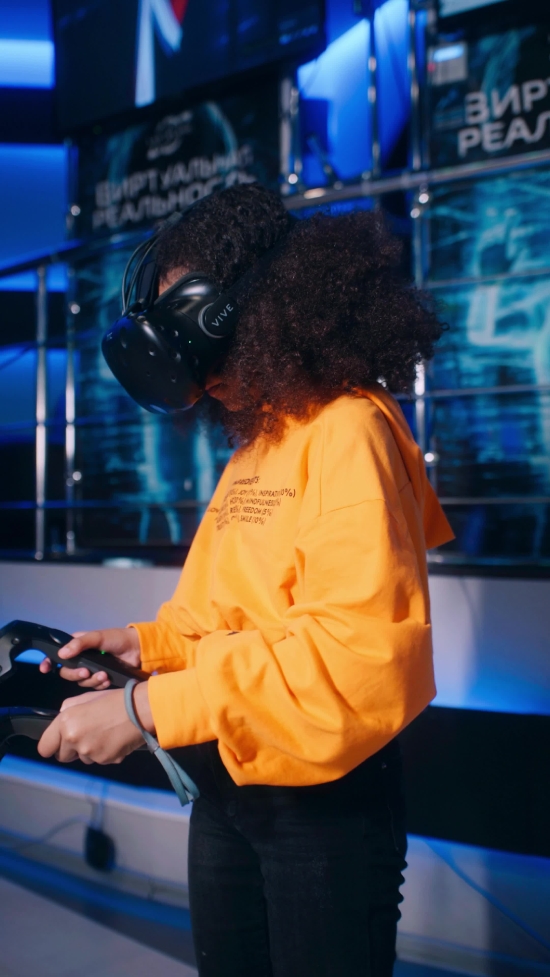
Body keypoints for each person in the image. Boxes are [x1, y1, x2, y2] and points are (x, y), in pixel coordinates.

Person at [38, 184, 453, 977]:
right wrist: (143, 648)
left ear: (257, 308)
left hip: (322, 804)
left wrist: (144, 710)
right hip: (229, 774)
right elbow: (219, 612)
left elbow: (352, 657)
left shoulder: (348, 430)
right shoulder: (263, 438)